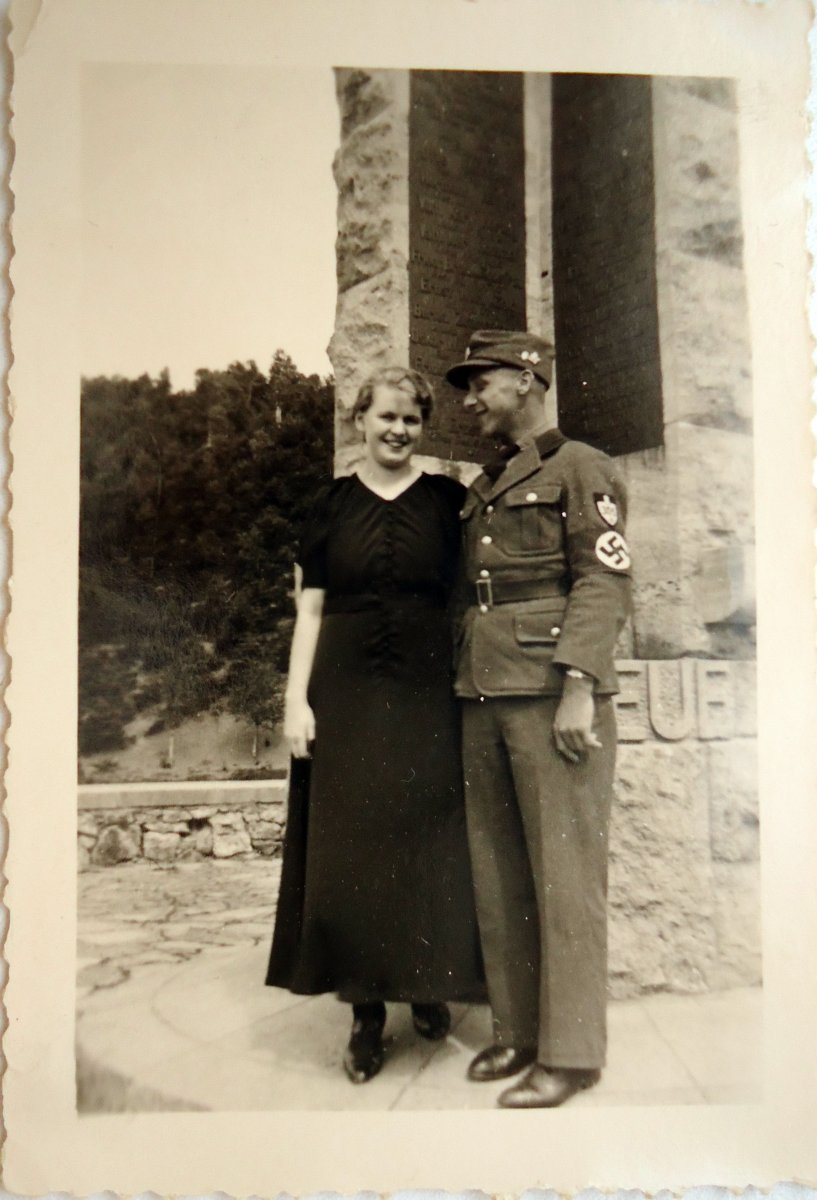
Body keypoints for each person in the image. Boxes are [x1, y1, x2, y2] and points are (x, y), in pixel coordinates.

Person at [265, 365, 483, 1084]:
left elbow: (465, 602)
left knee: (427, 838)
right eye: (386, 416)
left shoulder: (447, 502)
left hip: (427, 692)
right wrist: (296, 701)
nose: (398, 430)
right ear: (359, 419)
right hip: (345, 693)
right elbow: (311, 611)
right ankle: (364, 1011)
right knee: (352, 849)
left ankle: (426, 983)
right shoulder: (329, 506)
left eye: (411, 419)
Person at [445, 330, 632, 1108]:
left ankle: (571, 1053)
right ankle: (517, 1031)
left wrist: (579, 686)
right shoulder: (485, 482)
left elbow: (603, 580)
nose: (469, 401)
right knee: (498, 874)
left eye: (479, 383)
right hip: (483, 690)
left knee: (564, 877)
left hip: (552, 693)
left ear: (524, 381)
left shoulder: (581, 467)